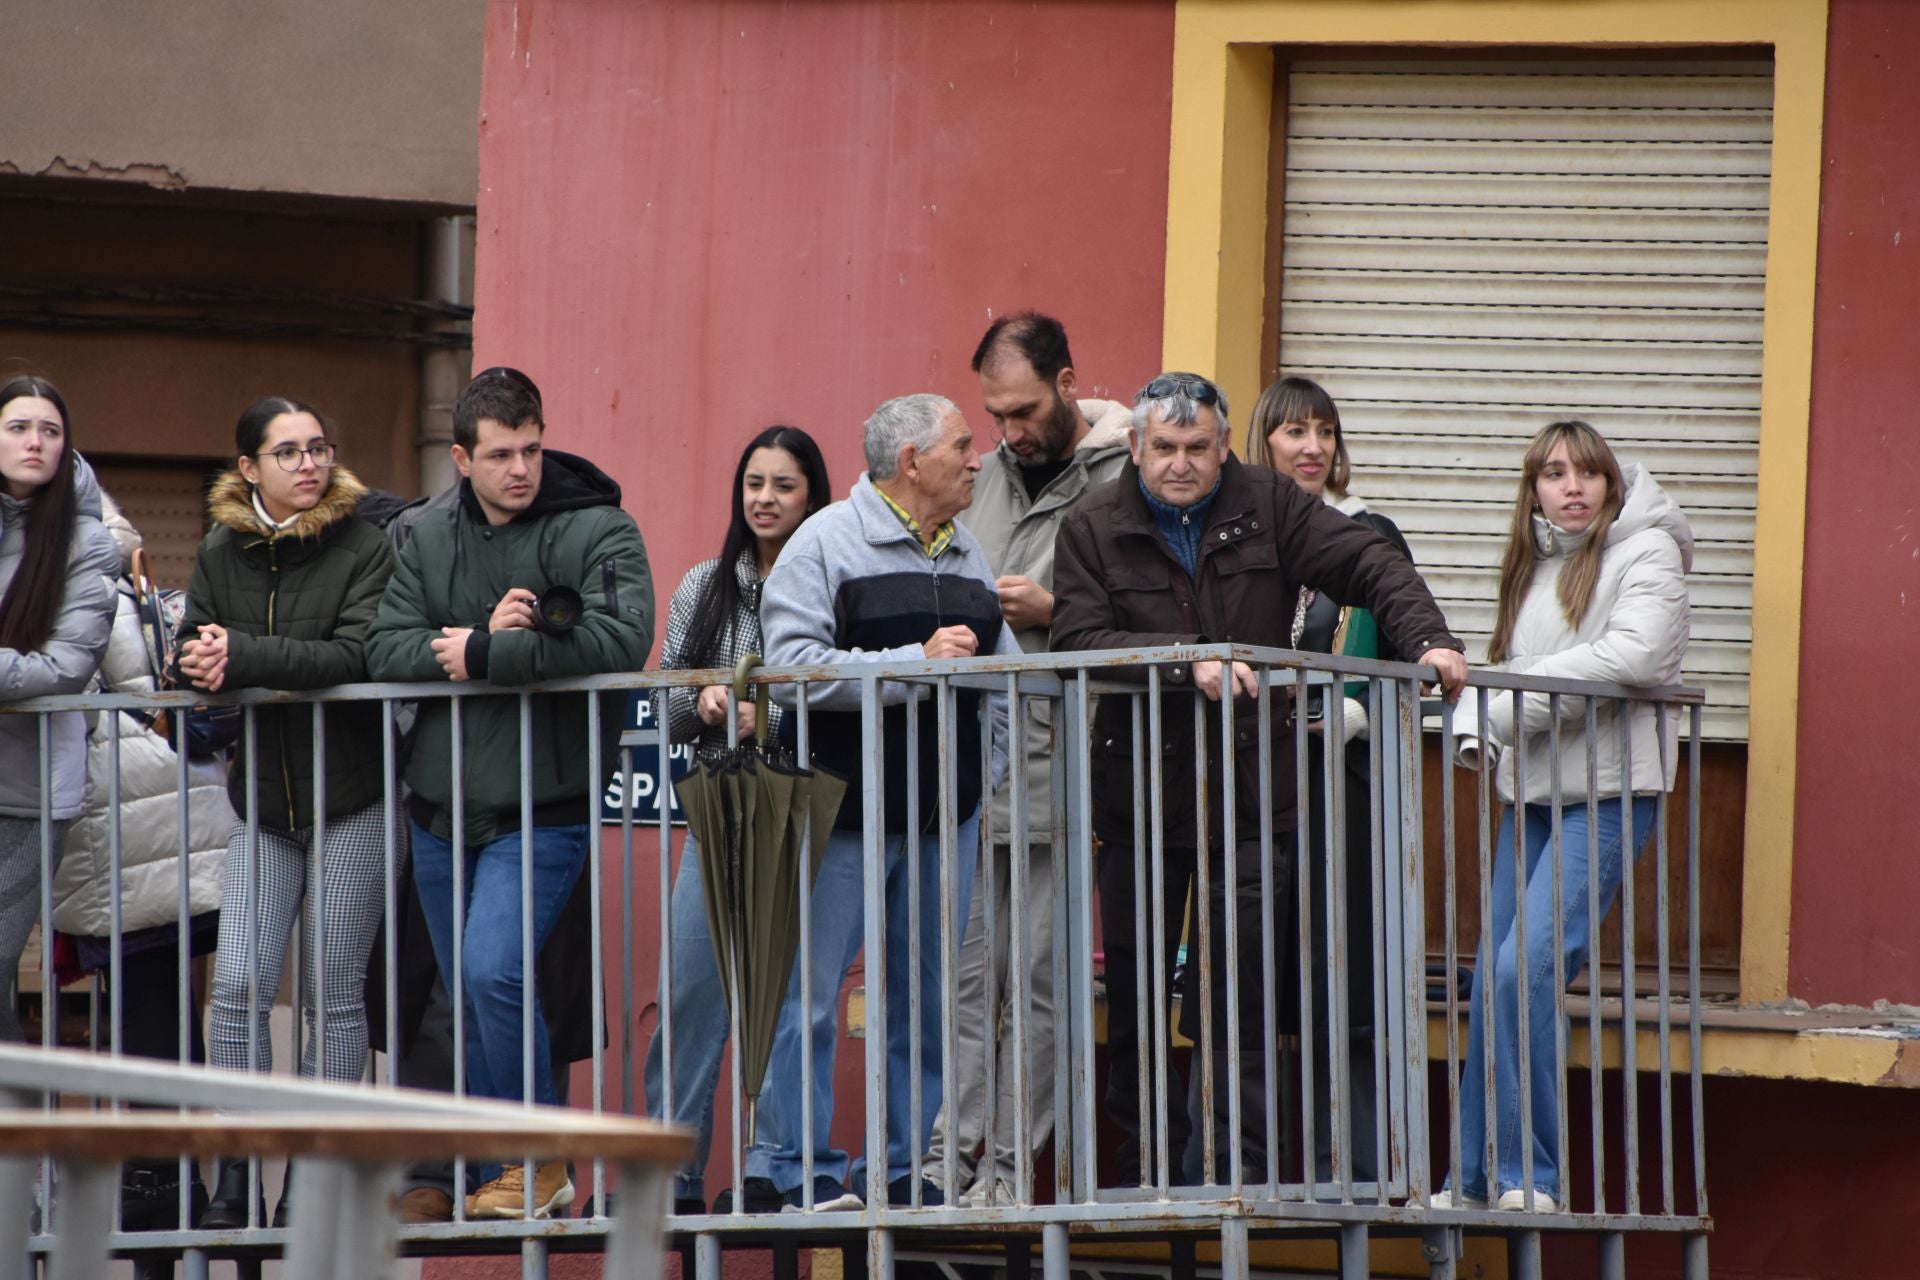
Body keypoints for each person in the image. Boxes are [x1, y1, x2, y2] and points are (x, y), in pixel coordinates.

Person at [1050, 372, 1466, 1188]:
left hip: (1250, 798)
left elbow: (1365, 562)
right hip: (1138, 797)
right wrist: (1183, 663)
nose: (1180, 464)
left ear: (1224, 444)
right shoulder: (1092, 523)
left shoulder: (1269, 502)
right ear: (1134, 447)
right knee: (1135, 994)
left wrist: (1428, 640)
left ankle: (1228, 1168)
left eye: (1197, 448)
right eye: (1163, 449)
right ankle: (1147, 1171)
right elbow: (1077, 635)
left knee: (1239, 989)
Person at [366, 371, 653, 1220]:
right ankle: (507, 1171)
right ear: (463, 457)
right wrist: (453, 651)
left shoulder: (599, 524)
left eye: (531, 448)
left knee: (495, 971)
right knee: (469, 994)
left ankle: (539, 1162)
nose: (521, 468)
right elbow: (386, 646)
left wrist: (492, 653)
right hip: (440, 805)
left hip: (547, 799)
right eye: (500, 455)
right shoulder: (425, 532)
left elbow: (622, 639)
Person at [733, 393, 1017, 1213]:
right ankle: (790, 1171)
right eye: (963, 446)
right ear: (911, 463)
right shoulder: (823, 542)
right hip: (838, 815)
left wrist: (979, 780)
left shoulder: (965, 552)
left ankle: (898, 1174)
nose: (976, 459)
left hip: (941, 822)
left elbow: (998, 679)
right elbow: (790, 668)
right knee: (809, 996)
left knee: (924, 1005)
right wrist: (911, 662)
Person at [1435, 422, 1691, 1215]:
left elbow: (1633, 660)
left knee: (1525, 969)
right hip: (1536, 800)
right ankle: (1474, 1178)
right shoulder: (1537, 566)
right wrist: (1497, 697)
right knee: (1495, 981)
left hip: (1611, 799)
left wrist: (1508, 693)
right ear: (1534, 488)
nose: (1570, 487)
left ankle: (1530, 1178)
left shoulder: (1646, 553)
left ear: (1612, 484)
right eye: (1553, 474)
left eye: (1586, 473)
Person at [922, 312, 1131, 1207]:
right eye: (995, 415)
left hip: (1065, 766)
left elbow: (1149, 606)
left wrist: (1056, 607)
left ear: (1071, 382)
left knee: (1044, 986)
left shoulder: (1130, 471)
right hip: (966, 771)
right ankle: (945, 1162)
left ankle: (1009, 1171)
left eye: (1025, 409)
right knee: (968, 984)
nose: (1009, 432)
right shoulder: (983, 474)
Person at [179, 396, 398, 1229]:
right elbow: (202, 637)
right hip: (264, 803)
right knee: (234, 985)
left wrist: (241, 658)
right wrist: (197, 655)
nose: (309, 464)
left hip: (354, 799)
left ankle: (313, 1182)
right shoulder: (217, 549)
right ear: (249, 468)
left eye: (319, 449)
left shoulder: (364, 545)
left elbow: (354, 654)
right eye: (289, 452)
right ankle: (235, 1172)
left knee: (332, 999)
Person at [642, 425, 832, 1213]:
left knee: (790, 997)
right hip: (719, 805)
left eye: (783, 485)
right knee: (691, 995)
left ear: (814, 496)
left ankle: (769, 1171)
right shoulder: (703, 583)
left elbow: (844, 701)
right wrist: (706, 702)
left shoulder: (831, 581)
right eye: (754, 483)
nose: (765, 499)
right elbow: (667, 697)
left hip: (806, 812)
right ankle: (673, 1180)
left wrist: (768, 718)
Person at [1241, 374, 1414, 1186]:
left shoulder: (1365, 532)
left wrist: (1355, 707)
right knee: (1250, 980)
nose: (1312, 447)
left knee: (1341, 974)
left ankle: (1343, 1163)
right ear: (1262, 443)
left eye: (1324, 432)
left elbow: (1399, 648)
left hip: (1341, 786)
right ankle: (1248, 1165)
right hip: (1253, 787)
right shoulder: (1239, 536)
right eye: (1293, 432)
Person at [53, 496, 234, 1230]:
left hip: (132, 819)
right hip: (138, 818)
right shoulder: (122, 573)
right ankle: (188, 1189)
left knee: (154, 1004)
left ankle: (173, 1185)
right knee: (158, 1008)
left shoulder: (96, 581)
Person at [0, 376, 120, 1044]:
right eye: (19, 426)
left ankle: (18, 1146)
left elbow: (66, 667)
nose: (35, 442)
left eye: (50, 430)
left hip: (28, 793)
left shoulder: (87, 542)